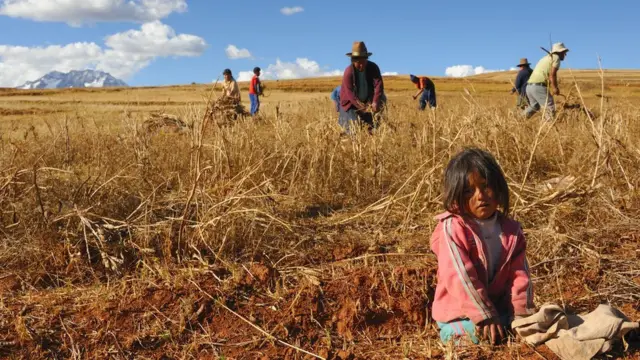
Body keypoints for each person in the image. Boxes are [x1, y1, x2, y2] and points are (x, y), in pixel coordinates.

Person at [431, 148, 534, 345]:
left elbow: (520, 275)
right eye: (469, 191)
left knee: (529, 326)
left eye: (486, 186)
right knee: (476, 333)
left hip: (498, 311)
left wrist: (522, 314)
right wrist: (484, 314)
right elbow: (460, 276)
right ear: (457, 195)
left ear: (498, 188)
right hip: (461, 314)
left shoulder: (511, 231)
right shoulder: (452, 228)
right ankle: (457, 333)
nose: (480, 196)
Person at [339, 41, 386, 134]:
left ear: (366, 59)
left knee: (371, 128)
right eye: (358, 63)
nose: (361, 65)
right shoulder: (348, 72)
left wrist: (375, 101)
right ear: (353, 61)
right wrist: (362, 107)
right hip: (351, 104)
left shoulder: (373, 67)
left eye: (363, 62)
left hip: (367, 101)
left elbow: (379, 85)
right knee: (353, 130)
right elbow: (350, 94)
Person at [524, 43, 569, 120]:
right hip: (539, 86)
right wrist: (555, 88)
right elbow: (552, 74)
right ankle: (548, 126)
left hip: (529, 87)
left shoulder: (545, 58)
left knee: (534, 106)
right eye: (564, 52)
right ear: (560, 52)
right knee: (549, 105)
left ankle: (518, 118)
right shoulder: (556, 58)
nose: (565, 55)